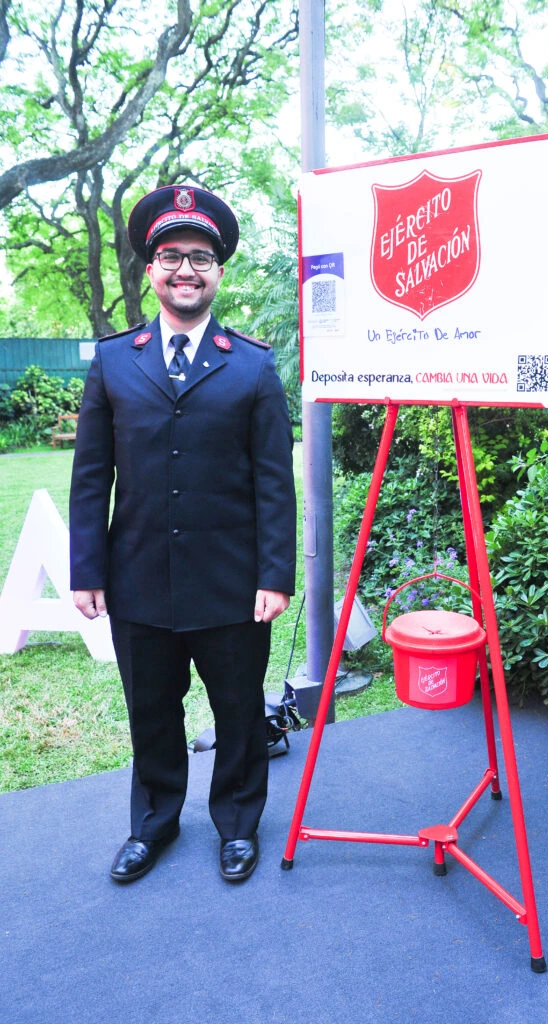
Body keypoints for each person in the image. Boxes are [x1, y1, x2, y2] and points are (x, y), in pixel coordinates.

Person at [70, 185, 296, 885]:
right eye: (171, 256)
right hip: (138, 579)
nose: (185, 270)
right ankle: (154, 822)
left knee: (236, 713)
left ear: (218, 271)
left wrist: (274, 576)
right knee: (152, 715)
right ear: (151, 270)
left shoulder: (252, 365)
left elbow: (272, 483)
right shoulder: (113, 362)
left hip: (231, 584)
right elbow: (90, 474)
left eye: (200, 257)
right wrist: (87, 569)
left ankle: (236, 823)